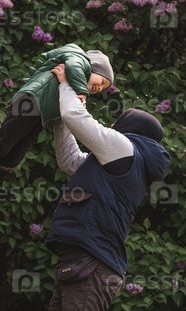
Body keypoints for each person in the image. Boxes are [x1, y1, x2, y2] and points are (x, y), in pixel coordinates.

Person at [47, 64, 170, 311]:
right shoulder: (119, 163)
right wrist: (61, 115)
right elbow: (70, 160)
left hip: (92, 266)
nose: (110, 128)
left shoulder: (125, 149)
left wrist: (66, 86)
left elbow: (74, 117)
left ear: (129, 129)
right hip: (84, 262)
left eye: (115, 124)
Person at [0, 43, 114, 172]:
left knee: (11, 159)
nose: (99, 88)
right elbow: (73, 66)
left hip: (39, 115)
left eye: (103, 89)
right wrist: (82, 91)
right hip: (32, 102)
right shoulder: (80, 60)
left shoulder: (74, 85)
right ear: (93, 68)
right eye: (101, 81)